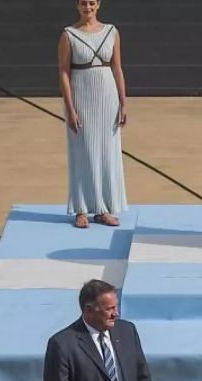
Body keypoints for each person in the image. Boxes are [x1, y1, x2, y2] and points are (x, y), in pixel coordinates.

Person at [58, 0, 128, 229]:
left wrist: (123, 102)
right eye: (83, 3)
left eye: (91, 2)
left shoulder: (112, 32)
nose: (87, 6)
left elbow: (117, 68)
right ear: (77, 6)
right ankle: (81, 210)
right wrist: (70, 108)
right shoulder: (68, 35)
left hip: (107, 97)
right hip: (82, 96)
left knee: (107, 152)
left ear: (98, 5)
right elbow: (64, 73)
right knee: (82, 151)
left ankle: (104, 209)